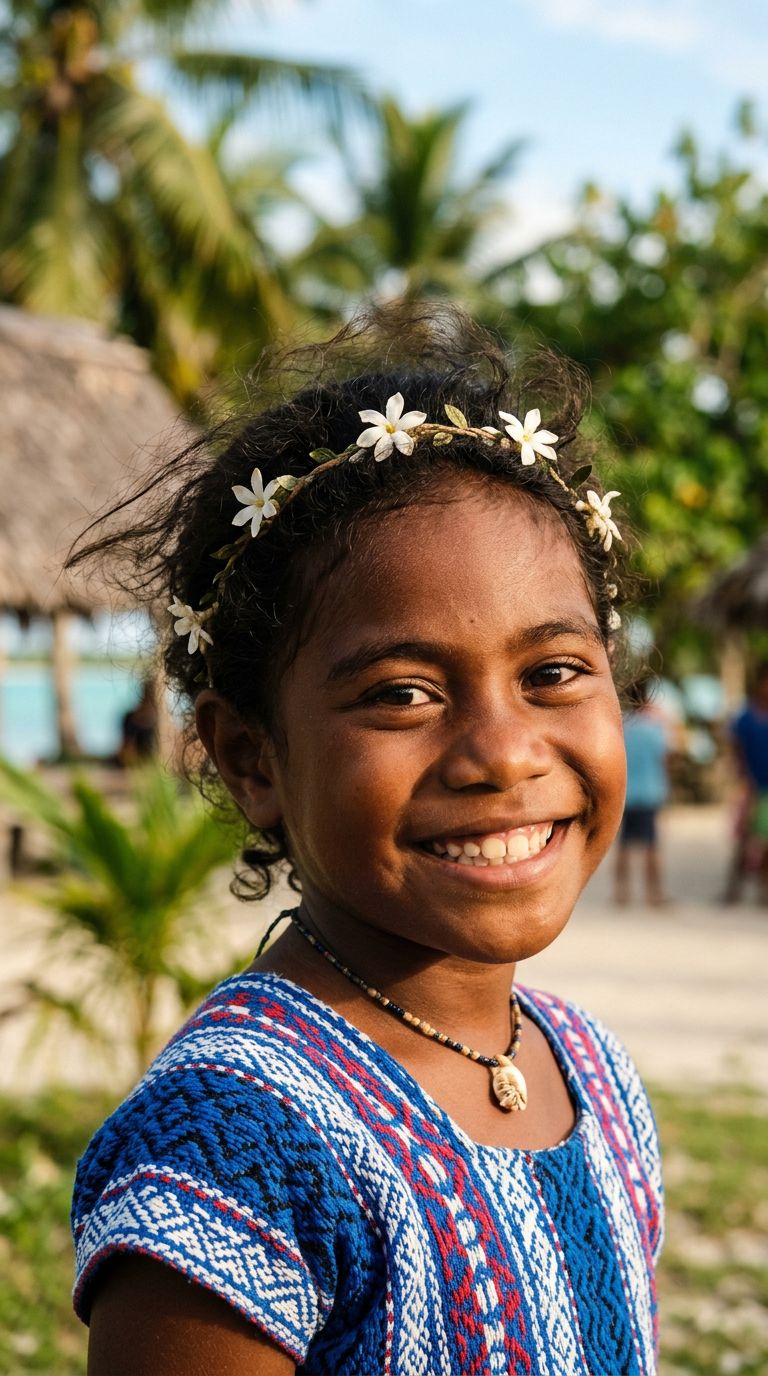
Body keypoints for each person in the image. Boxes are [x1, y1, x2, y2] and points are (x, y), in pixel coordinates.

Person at [69, 305, 663, 1376]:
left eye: (553, 673)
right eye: (402, 691)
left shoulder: (594, 1071)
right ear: (252, 759)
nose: (501, 752)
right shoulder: (241, 1143)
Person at [614, 677, 671, 907]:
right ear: (647, 697)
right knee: (651, 846)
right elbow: (665, 756)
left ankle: (622, 893)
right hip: (650, 793)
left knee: (625, 845)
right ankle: (654, 894)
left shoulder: (623, 726)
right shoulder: (654, 727)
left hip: (627, 793)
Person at [725, 661, 768, 904]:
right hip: (751, 786)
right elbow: (737, 750)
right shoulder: (746, 717)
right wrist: (745, 778)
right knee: (743, 841)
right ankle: (734, 891)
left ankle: (764, 892)